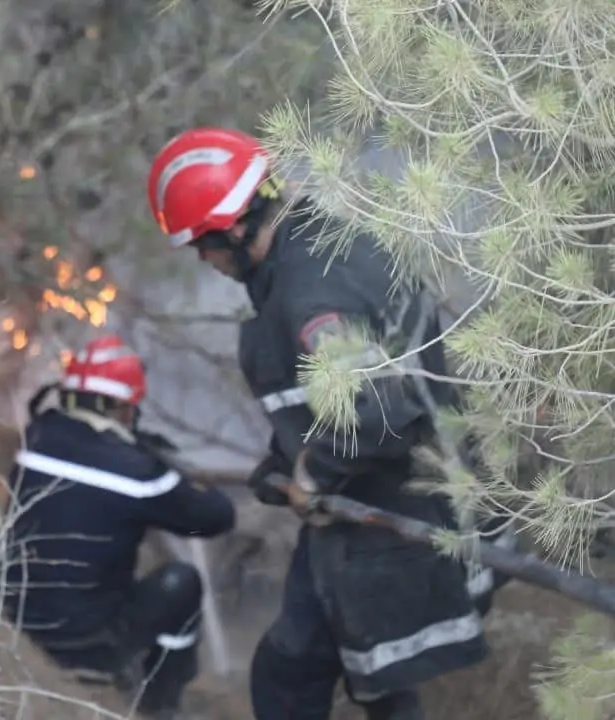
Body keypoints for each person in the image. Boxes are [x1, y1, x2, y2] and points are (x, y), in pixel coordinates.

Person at [146, 127, 513, 720]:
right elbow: (330, 393)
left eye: (201, 247)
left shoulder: (310, 299)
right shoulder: (327, 242)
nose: (206, 261)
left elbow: (372, 413)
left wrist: (312, 474)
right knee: (374, 676)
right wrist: (284, 459)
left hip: (393, 511)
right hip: (419, 492)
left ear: (236, 228)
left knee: (289, 674)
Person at [0, 334, 238, 720]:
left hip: (15, 623)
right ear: (120, 407)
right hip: (87, 641)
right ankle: (159, 705)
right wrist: (177, 476)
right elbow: (216, 518)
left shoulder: (36, 441)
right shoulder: (138, 474)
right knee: (182, 582)